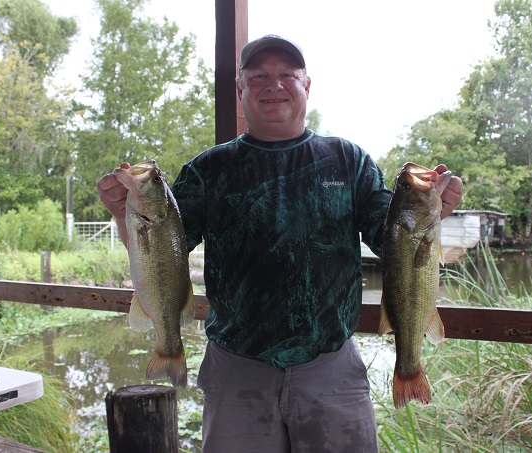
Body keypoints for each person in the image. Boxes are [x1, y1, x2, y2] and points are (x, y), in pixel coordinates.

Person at [97, 34, 463, 452]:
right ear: (240, 88)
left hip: (332, 367)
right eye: (258, 76)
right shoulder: (207, 169)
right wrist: (123, 214)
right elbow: (161, 252)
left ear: (306, 85)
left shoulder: (349, 160)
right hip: (235, 371)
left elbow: (391, 240)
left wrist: (434, 213)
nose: (274, 85)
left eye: (287, 74)